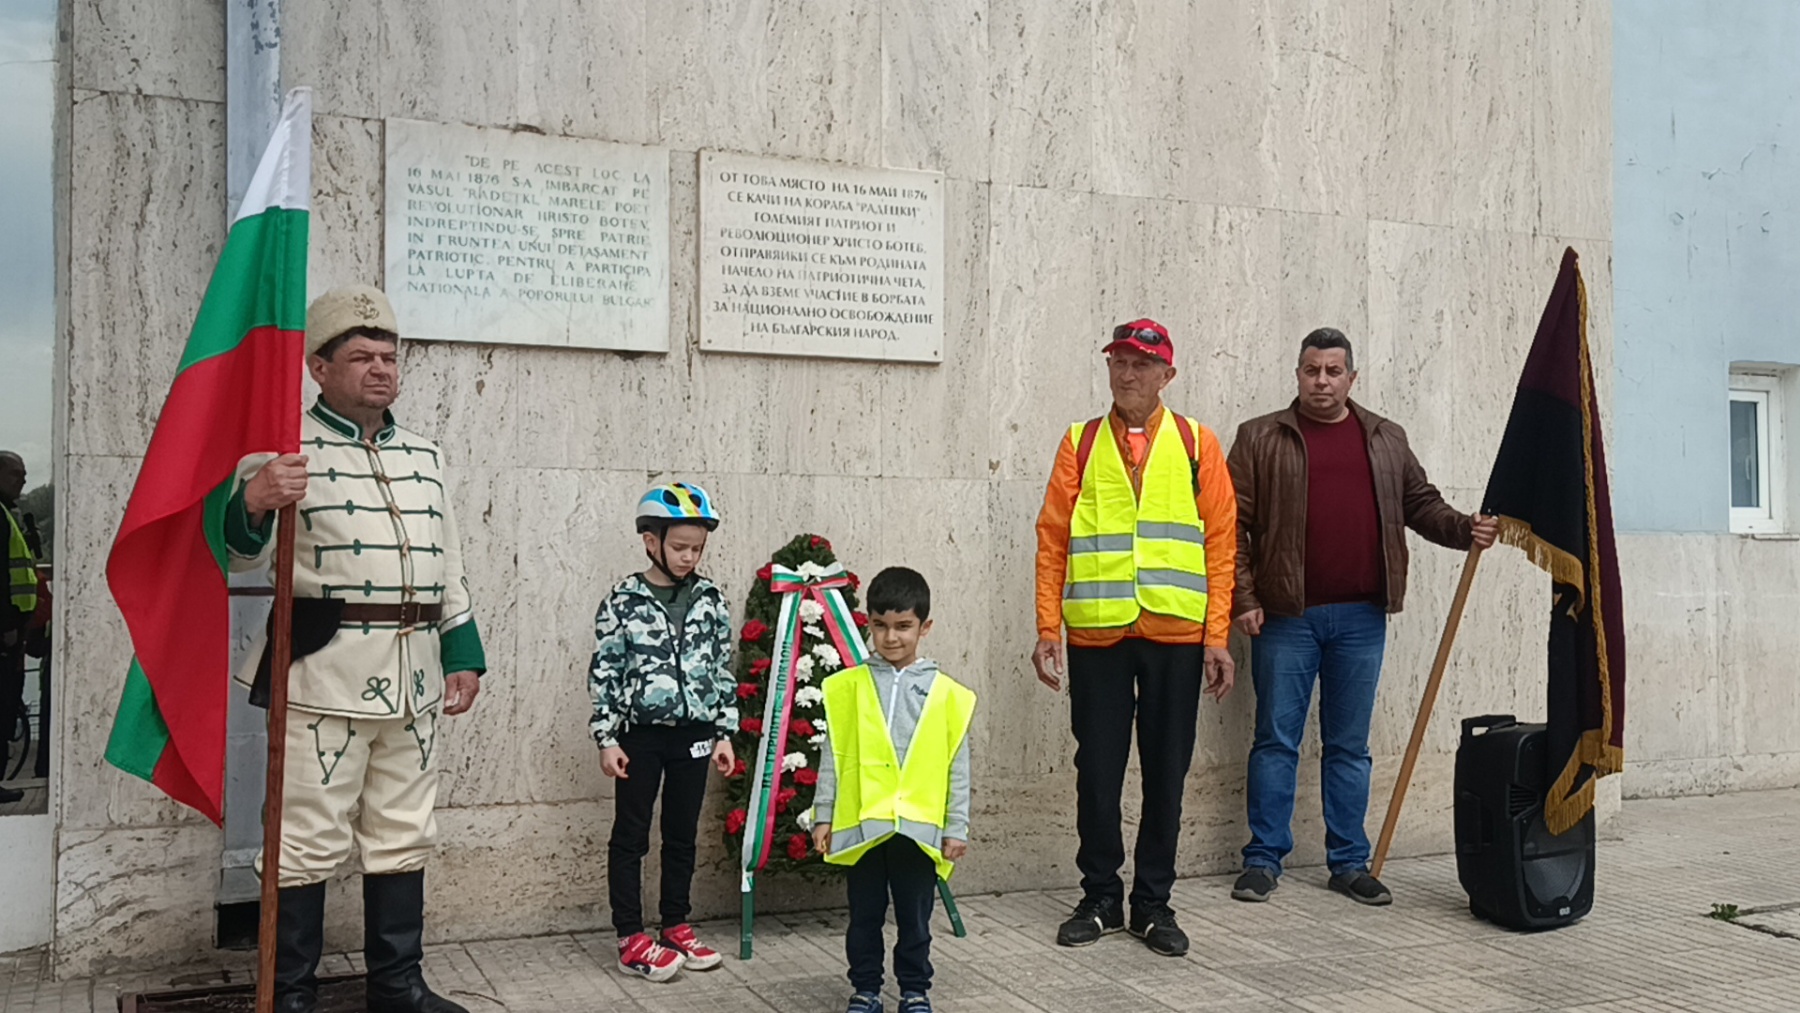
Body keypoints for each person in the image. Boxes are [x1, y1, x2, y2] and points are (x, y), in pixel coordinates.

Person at [225, 286, 487, 1013]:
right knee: (304, 840)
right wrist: (252, 500)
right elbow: (237, 556)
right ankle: (292, 993)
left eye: (389, 356)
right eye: (361, 356)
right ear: (318, 367)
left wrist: (461, 650)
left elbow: (448, 562)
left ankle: (398, 986)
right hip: (320, 675)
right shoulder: (285, 455)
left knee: (405, 833)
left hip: (414, 678)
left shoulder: (427, 456)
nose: (381, 369)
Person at [1227, 327, 1499, 906]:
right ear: (1297, 374)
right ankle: (1262, 859)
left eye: (1332, 371)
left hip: (1361, 619)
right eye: (1310, 370)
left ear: (1353, 377)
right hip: (1284, 618)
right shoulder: (1259, 438)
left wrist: (1463, 528)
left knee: (1350, 746)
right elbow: (1230, 529)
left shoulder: (1384, 438)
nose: (1321, 380)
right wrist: (1243, 598)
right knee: (1275, 740)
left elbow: (1420, 504)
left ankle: (1349, 860)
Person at [1032, 319, 1238, 958]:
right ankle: (1099, 897)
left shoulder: (1199, 443)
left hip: (1176, 634)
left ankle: (1152, 903)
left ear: (1167, 375)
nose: (1129, 374)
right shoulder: (1080, 442)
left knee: (1166, 773)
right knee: (1095, 770)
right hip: (1097, 634)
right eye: (1120, 361)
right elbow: (1053, 539)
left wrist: (1217, 637)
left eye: (1143, 364)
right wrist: (1047, 627)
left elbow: (1221, 544)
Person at [588, 482, 737, 982]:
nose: (688, 557)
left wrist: (724, 732)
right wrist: (607, 738)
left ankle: (675, 922)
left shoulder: (711, 599)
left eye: (696, 548)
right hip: (640, 737)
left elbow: (721, 670)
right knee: (631, 835)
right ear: (650, 541)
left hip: (694, 733)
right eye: (678, 547)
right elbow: (606, 669)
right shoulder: (624, 599)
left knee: (682, 833)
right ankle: (630, 934)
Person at [813, 566, 974, 1013]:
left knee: (915, 919)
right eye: (880, 626)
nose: (891, 637)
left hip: (918, 832)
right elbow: (835, 755)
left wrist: (955, 826)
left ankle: (914, 990)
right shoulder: (850, 687)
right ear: (868, 625)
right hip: (865, 825)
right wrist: (824, 813)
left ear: (925, 628)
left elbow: (957, 767)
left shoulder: (948, 695)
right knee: (863, 917)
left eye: (903, 626)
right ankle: (865, 988)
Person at [1, 450, 38, 804]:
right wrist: (7, 625)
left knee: (8, 703)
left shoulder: (9, 516)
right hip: (6, 633)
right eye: (16, 475)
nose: (22, 481)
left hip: (16, 631)